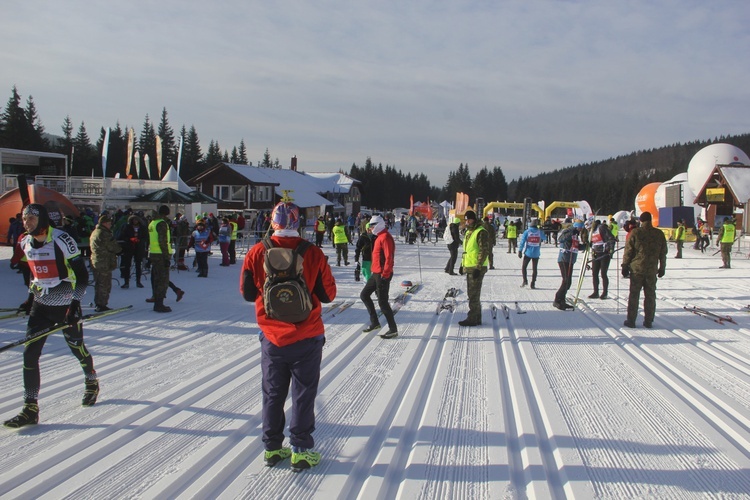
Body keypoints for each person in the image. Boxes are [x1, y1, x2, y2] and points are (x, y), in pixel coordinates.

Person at [240, 201, 336, 471]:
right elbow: (329, 295)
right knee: (303, 394)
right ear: (298, 223)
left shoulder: (257, 252)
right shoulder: (313, 252)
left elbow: (247, 294)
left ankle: (272, 449)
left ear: (272, 221)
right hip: (307, 335)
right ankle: (302, 451)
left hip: (272, 336)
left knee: (272, 393)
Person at [4, 204, 98, 428]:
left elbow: (82, 275)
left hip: (65, 304)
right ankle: (30, 408)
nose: (26, 223)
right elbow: (34, 273)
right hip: (41, 305)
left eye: (31, 219)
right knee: (29, 355)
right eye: (24, 219)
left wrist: (75, 304)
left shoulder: (61, 239)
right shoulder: (25, 241)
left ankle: (92, 381)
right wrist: (29, 299)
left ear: (43, 219)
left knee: (77, 348)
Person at [622, 211, 667, 328]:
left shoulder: (635, 232)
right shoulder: (659, 234)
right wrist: (662, 268)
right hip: (651, 270)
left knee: (634, 295)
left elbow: (628, 251)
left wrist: (625, 265)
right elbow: (663, 253)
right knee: (650, 296)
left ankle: (631, 320)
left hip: (637, 269)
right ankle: (648, 321)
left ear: (641, 221)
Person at [360, 215, 398, 337]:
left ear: (378, 225)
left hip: (382, 274)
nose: (371, 228)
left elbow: (389, 258)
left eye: (372, 225)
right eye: (370, 226)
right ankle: (375, 322)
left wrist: (385, 275)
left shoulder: (385, 237)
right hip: (375, 273)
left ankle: (393, 329)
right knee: (364, 295)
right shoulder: (379, 237)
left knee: (383, 303)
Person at [458, 210, 490, 326]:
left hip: (476, 268)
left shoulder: (480, 232)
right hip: (469, 266)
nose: (467, 222)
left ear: (474, 219)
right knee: (472, 294)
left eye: (469, 219)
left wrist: (478, 267)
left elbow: (484, 250)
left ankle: (472, 318)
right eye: (466, 219)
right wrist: (462, 265)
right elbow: (467, 251)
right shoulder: (468, 232)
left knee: (473, 295)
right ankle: (477, 318)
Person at [89, 214, 121, 312]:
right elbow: (112, 246)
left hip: (97, 261)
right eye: (109, 223)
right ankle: (101, 304)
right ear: (104, 223)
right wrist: (120, 249)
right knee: (104, 284)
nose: (110, 225)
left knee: (100, 283)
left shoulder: (95, 232)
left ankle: (100, 303)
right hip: (104, 262)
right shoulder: (104, 233)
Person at [149, 205, 175, 313]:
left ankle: (156, 299)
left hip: (153, 253)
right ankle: (159, 304)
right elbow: (162, 241)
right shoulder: (162, 224)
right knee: (162, 280)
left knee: (155, 278)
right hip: (160, 255)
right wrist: (166, 257)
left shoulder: (152, 223)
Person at [553, 220, 584, 310]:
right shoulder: (569, 231)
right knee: (566, 280)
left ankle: (562, 299)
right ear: (577, 226)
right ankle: (557, 299)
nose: (581, 230)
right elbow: (561, 239)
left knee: (568, 282)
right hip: (564, 259)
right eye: (580, 228)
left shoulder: (575, 234)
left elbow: (575, 246)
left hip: (570, 259)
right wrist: (571, 233)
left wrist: (585, 246)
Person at [588, 219, 616, 299]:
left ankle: (605, 292)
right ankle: (595, 292)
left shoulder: (601, 228)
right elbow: (591, 241)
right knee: (594, 273)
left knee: (603, 273)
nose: (589, 230)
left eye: (589, 228)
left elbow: (611, 238)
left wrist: (611, 249)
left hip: (604, 253)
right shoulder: (591, 231)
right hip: (595, 253)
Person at [120, 214, 147, 288]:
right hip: (129, 247)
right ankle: (126, 282)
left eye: (136, 219)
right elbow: (123, 235)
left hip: (138, 247)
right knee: (127, 265)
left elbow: (145, 236)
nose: (135, 221)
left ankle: (138, 281)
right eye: (134, 220)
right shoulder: (127, 227)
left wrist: (140, 240)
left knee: (138, 265)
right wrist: (130, 239)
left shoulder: (142, 227)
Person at [518, 217, 542, 288]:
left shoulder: (527, 231)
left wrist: (520, 250)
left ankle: (525, 280)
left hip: (528, 253)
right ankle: (533, 283)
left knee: (524, 267)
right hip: (536, 253)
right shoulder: (539, 231)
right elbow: (544, 238)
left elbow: (522, 242)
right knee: (534, 269)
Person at [354, 216, 375, 281]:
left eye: (371, 228)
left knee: (376, 275)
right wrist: (356, 259)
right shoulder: (363, 237)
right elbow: (358, 248)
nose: (369, 230)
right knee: (366, 274)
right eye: (368, 228)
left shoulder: (376, 237)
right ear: (366, 229)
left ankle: (376, 288)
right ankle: (368, 287)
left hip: (375, 259)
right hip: (366, 259)